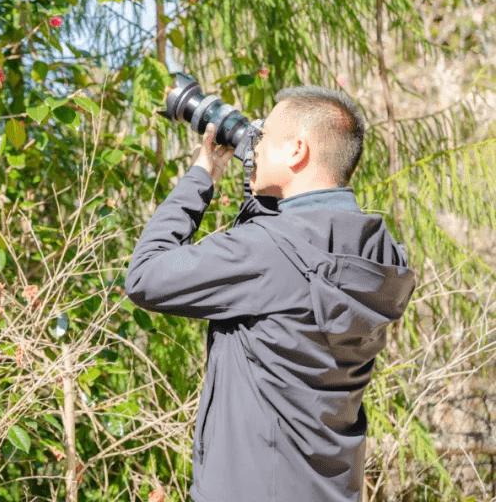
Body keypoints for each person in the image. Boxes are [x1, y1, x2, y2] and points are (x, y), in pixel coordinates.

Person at [125, 86, 416, 502]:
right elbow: (290, 264)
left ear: (298, 150)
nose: (253, 144)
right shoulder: (379, 253)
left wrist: (200, 177)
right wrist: (262, 192)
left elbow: (145, 276)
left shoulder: (267, 251)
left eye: (263, 137)